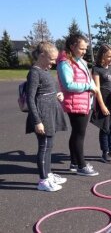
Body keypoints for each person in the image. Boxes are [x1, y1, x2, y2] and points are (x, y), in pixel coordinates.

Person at [26, 42, 68, 191]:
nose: (53, 63)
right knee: (44, 147)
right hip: (42, 115)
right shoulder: (34, 72)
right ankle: (43, 181)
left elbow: (44, 91)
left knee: (49, 146)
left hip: (50, 112)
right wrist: (37, 121)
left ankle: (48, 174)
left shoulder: (44, 70)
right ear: (42, 56)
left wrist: (57, 95)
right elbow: (30, 98)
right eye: (51, 59)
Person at [57, 33, 99, 176]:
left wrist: (93, 88)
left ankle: (74, 163)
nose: (84, 51)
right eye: (82, 48)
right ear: (72, 46)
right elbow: (68, 84)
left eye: (85, 49)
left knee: (76, 134)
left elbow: (88, 78)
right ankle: (82, 166)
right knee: (79, 135)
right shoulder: (65, 63)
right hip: (75, 103)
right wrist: (88, 86)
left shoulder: (80, 61)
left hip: (85, 102)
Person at [90, 44, 111, 163]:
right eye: (109, 56)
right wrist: (102, 106)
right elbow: (97, 89)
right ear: (102, 55)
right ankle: (104, 153)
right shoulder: (96, 69)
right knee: (105, 128)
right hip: (104, 101)